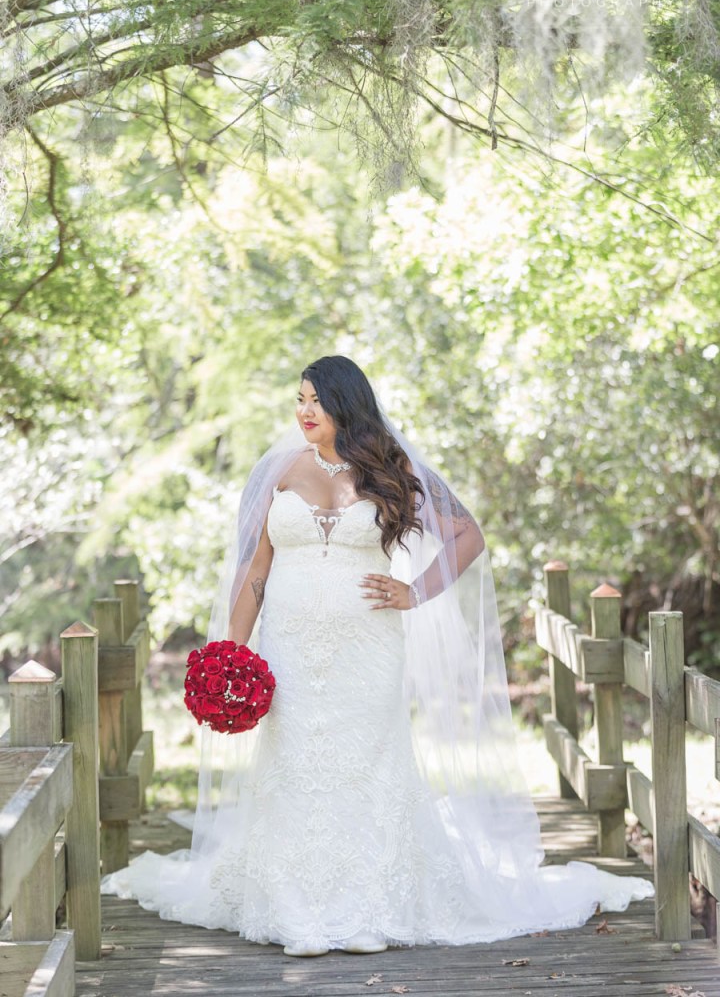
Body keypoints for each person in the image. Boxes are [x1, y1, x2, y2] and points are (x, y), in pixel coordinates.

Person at [102, 355, 653, 955]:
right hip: (288, 649)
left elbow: (468, 535)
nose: (303, 410)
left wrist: (415, 591)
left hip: (368, 649)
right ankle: (295, 912)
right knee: (295, 766)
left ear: (345, 403)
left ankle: (366, 910)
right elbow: (254, 570)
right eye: (300, 398)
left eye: (315, 399)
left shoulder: (389, 468)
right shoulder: (278, 471)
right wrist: (228, 653)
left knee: (366, 768)